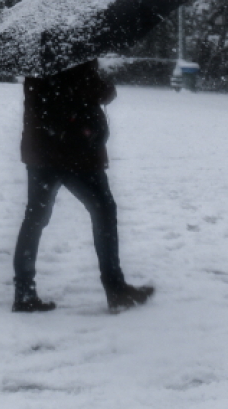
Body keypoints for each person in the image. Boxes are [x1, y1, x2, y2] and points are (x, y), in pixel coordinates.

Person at [12, 58, 154, 313]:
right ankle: (115, 288)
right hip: (77, 154)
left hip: (41, 152)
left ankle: (23, 291)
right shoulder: (75, 57)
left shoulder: (38, 60)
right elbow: (102, 92)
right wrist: (101, 79)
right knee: (104, 211)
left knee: (35, 218)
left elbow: (41, 102)